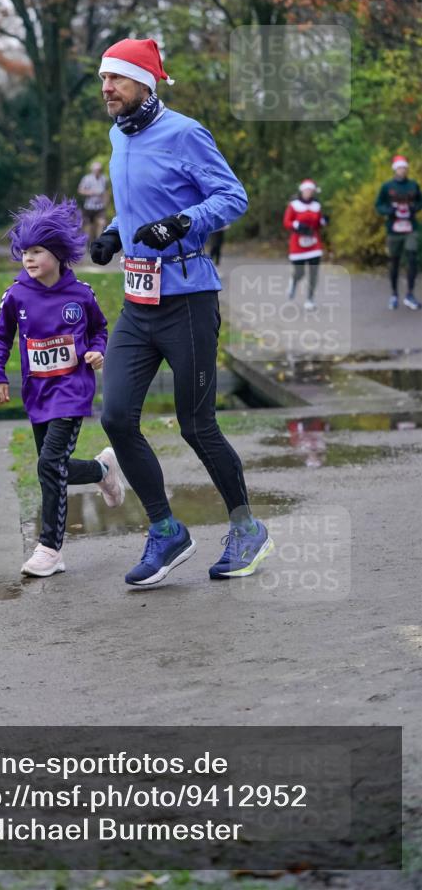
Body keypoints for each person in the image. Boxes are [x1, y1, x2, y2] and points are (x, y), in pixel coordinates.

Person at [90, 37, 273, 588]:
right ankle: (167, 530)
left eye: (116, 79)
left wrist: (182, 223)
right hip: (137, 302)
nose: (106, 89)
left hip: (188, 300)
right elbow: (136, 207)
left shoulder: (185, 132)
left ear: (144, 82)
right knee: (117, 417)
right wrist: (113, 233)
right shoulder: (118, 136)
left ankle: (247, 528)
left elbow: (231, 197)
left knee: (197, 424)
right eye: (103, 80)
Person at [0, 195, 125, 578]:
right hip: (38, 394)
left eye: (37, 251)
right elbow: (0, 338)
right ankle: (101, 470)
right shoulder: (16, 295)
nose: (28, 259)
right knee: (54, 466)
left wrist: (97, 352)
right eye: (24, 252)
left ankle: (50, 548)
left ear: (59, 254)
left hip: (73, 391)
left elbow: (99, 329)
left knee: (49, 464)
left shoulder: (80, 294)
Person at [375, 154, 422, 310]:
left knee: (412, 256)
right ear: (395, 169)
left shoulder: (413, 185)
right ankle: (394, 294)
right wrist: (389, 211)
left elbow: (419, 201)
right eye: (400, 168)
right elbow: (379, 205)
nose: (403, 170)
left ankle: (410, 294)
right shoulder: (387, 187)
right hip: (393, 229)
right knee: (394, 261)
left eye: (405, 168)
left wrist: (415, 207)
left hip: (411, 227)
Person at [283, 179, 328, 310]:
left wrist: (324, 221)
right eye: (306, 190)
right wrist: (297, 225)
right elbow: (286, 222)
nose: (309, 192)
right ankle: (293, 282)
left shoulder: (316, 206)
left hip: (314, 243)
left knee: (313, 273)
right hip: (297, 244)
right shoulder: (294, 205)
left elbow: (319, 223)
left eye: (311, 190)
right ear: (302, 191)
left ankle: (310, 299)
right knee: (300, 272)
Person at [78, 161, 109, 243]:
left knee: (102, 223)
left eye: (99, 170)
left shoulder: (104, 179)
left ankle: (99, 242)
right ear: (92, 170)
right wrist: (90, 192)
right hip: (89, 206)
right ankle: (90, 242)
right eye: (96, 170)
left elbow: (106, 192)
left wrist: (106, 202)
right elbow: (80, 190)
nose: (97, 171)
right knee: (90, 227)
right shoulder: (86, 179)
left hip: (100, 206)